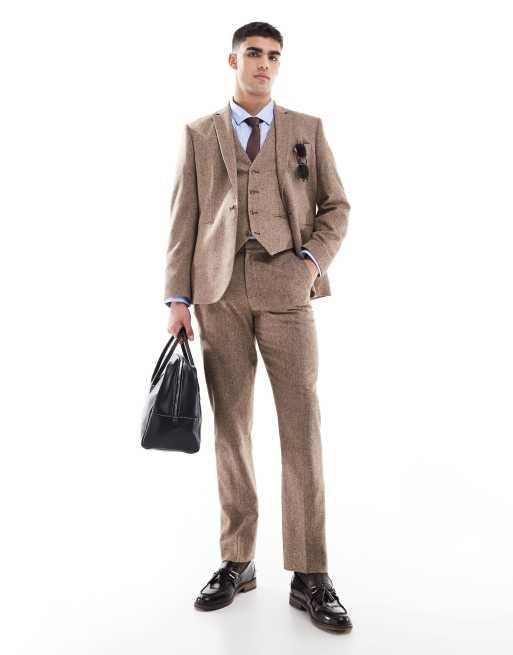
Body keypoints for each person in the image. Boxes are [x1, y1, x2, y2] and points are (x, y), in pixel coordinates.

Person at [163, 21, 352, 633]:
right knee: (232, 428)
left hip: (287, 290)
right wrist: (178, 298)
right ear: (233, 60)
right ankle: (238, 559)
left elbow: (336, 207)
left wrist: (309, 263)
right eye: (253, 53)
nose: (264, 63)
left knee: (302, 426)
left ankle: (310, 573)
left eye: (273, 55)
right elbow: (183, 217)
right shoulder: (199, 133)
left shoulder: (306, 129)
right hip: (218, 293)